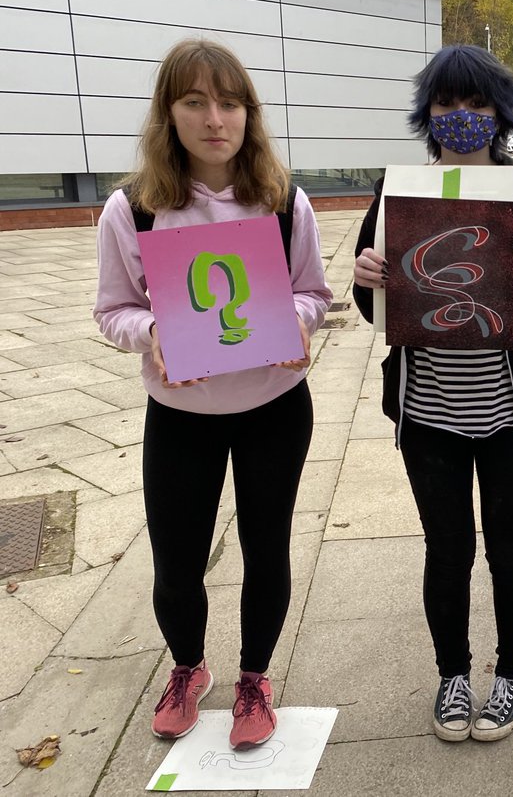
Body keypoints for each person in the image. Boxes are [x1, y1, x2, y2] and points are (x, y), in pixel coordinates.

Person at [93, 40, 332, 749]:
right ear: (169, 112)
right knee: (177, 557)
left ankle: (253, 678)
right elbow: (112, 312)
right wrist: (153, 334)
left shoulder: (283, 200)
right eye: (194, 100)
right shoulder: (132, 210)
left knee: (267, 548)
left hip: (274, 408)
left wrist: (298, 319)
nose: (214, 117)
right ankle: (188, 668)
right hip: (182, 416)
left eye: (228, 102)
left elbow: (316, 294)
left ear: (247, 114)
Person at [351, 45, 513, 744]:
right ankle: (453, 673)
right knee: (445, 549)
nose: (462, 117)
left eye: (477, 104)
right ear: (428, 113)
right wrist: (368, 278)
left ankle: (512, 674)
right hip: (428, 412)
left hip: (510, 413)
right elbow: (374, 310)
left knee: (510, 546)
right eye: (448, 104)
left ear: (499, 113)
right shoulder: (398, 194)